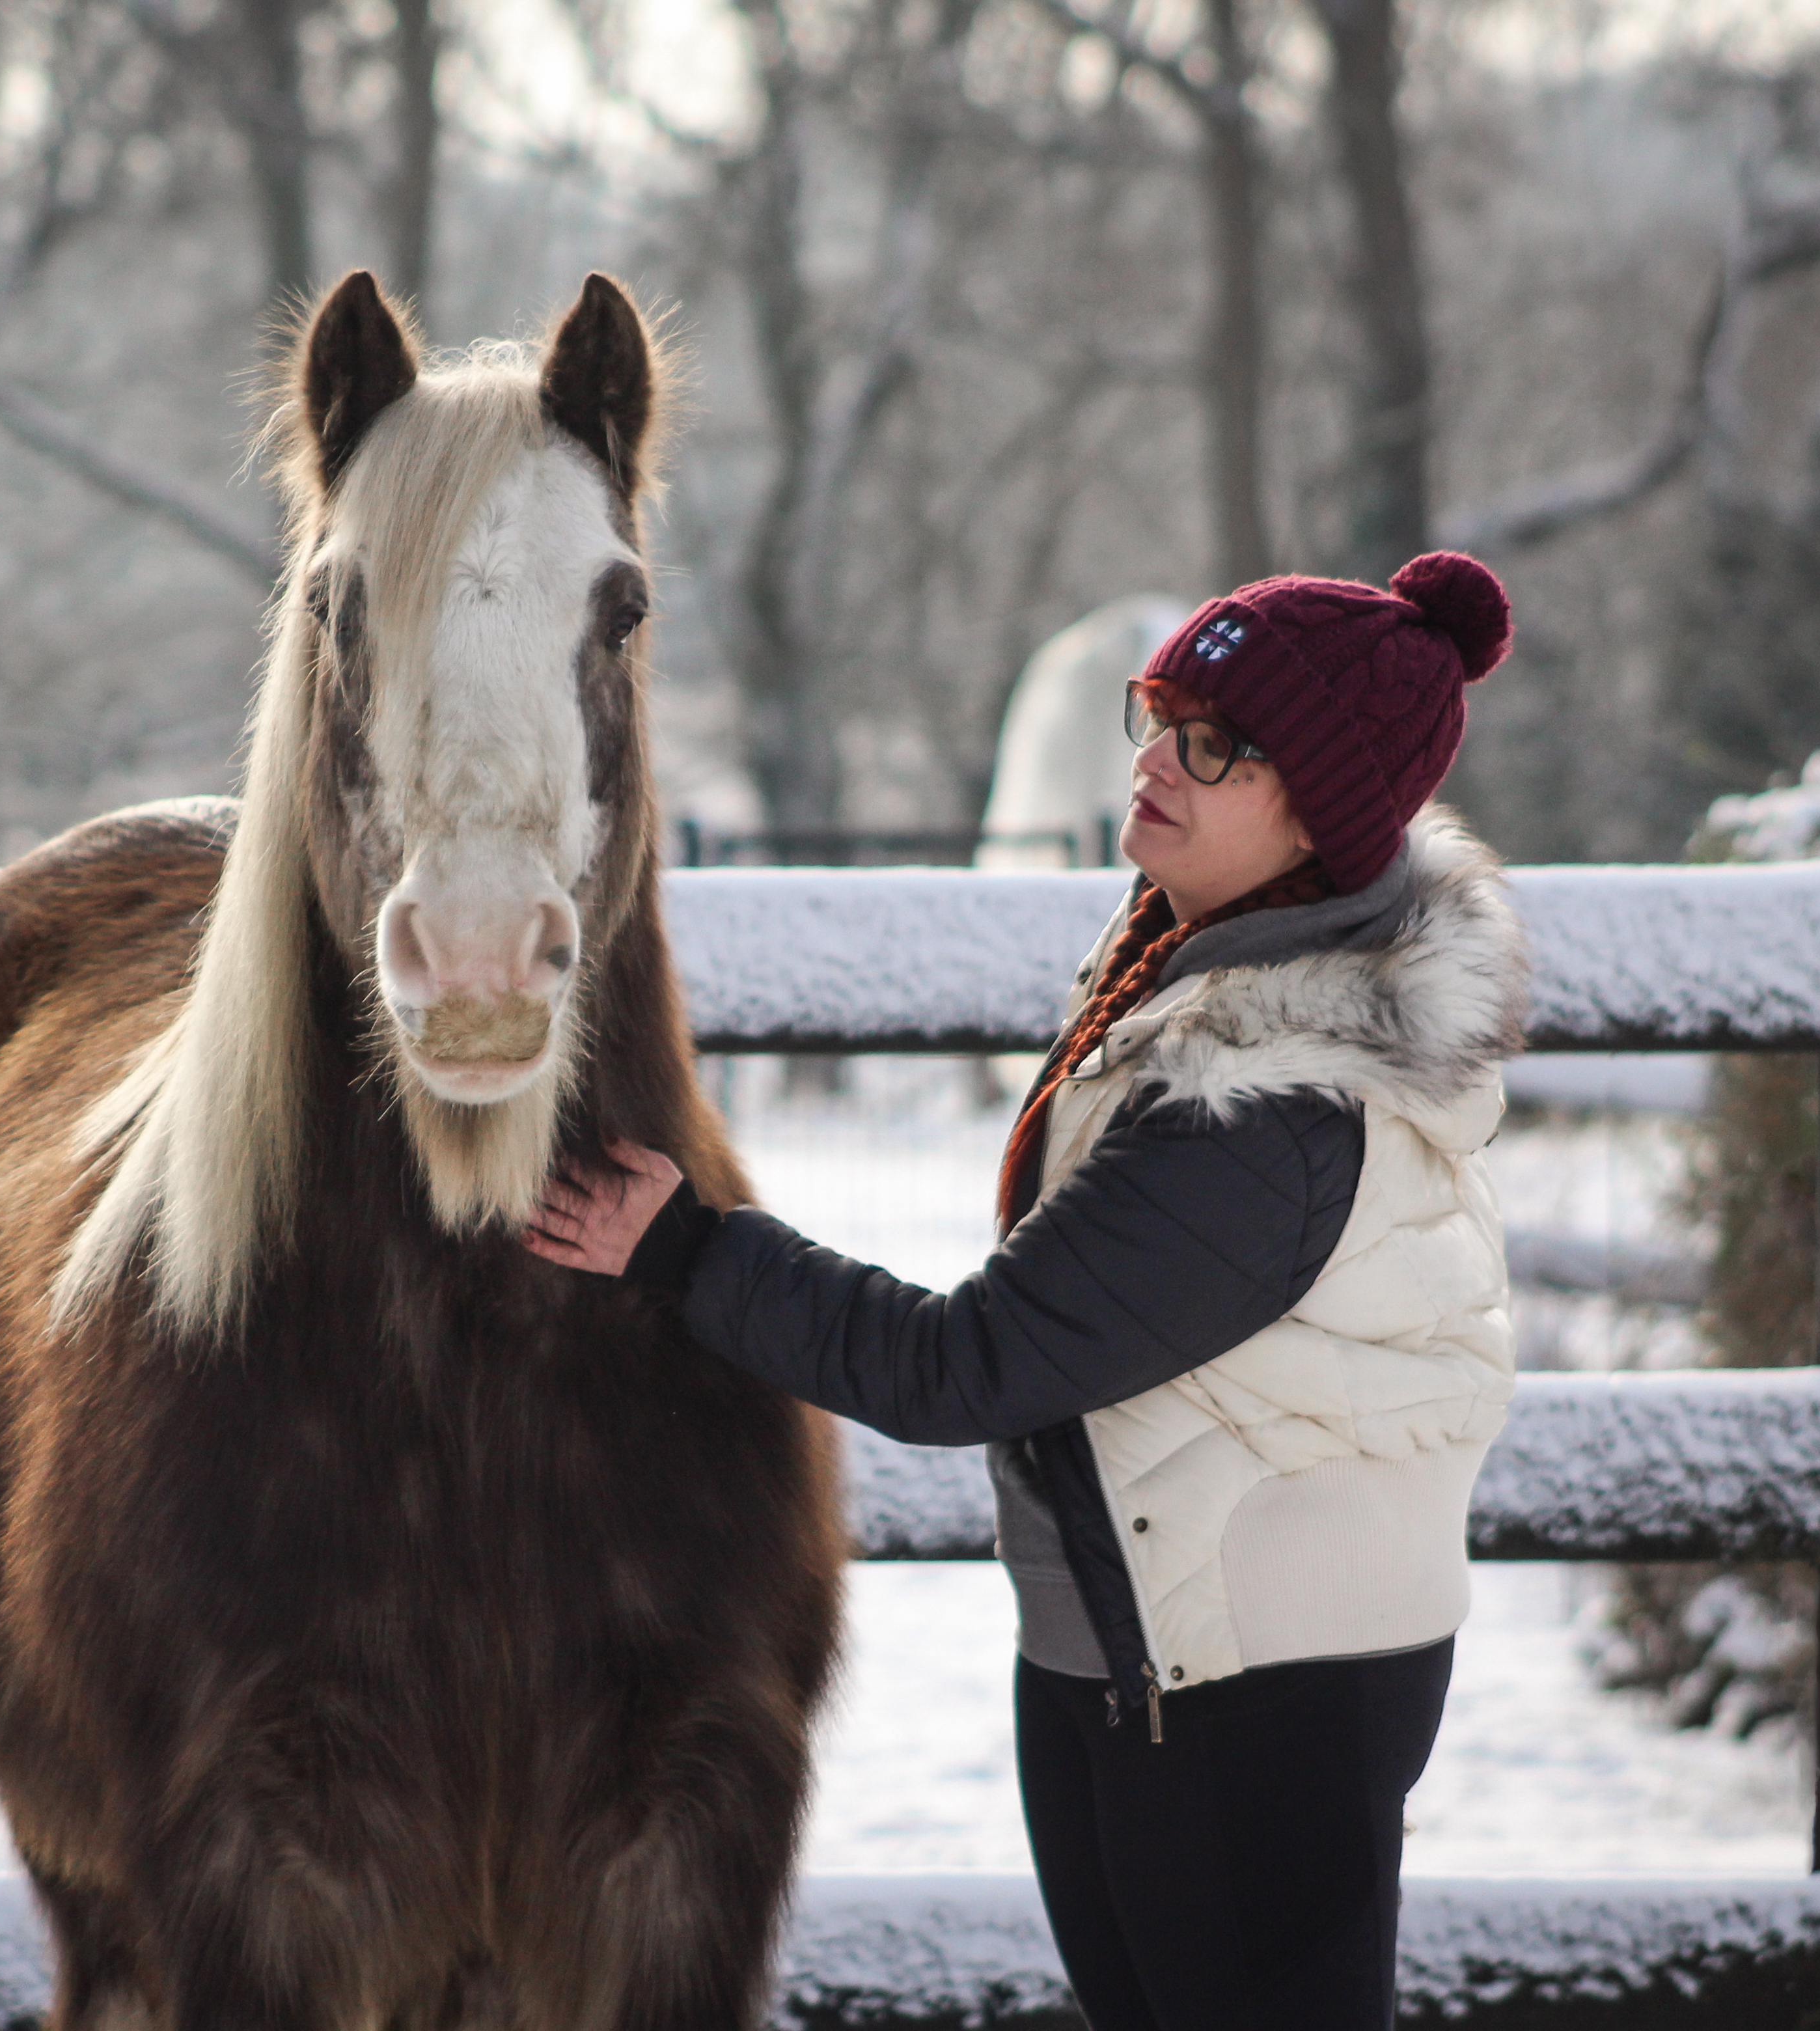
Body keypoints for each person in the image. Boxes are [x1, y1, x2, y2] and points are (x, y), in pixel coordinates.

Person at [525, 552, 1532, 2030]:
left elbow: (971, 1365)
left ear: (1320, 808)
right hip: (1157, 1646)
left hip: (1252, 1691)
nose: (1154, 763)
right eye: (1159, 712)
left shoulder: (1263, 1111)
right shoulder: (1202, 980)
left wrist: (689, 1251)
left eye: (1214, 745)